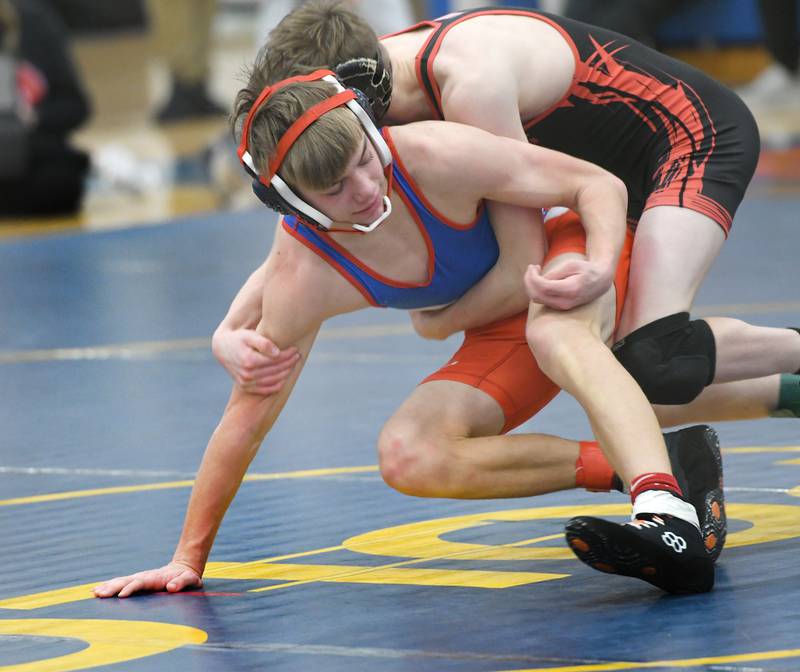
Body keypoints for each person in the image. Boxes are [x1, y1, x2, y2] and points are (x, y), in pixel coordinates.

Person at [94, 70, 724, 600]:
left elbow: (597, 185)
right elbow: (246, 420)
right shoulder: (305, 273)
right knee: (410, 453)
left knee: (559, 334)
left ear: (373, 134)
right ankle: (663, 460)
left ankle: (664, 512)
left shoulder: (430, 154)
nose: (368, 190)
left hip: (563, 255)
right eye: (337, 188)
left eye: (365, 161)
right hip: (498, 322)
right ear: (294, 202)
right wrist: (187, 558)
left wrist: (595, 265)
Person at [254, 1, 800, 421]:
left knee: (655, 355)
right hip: (613, 177)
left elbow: (522, 268)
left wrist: (439, 323)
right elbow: (304, 233)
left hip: (693, 139)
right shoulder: (370, 78)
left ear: (347, 94)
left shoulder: (468, 86)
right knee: (636, 387)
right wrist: (233, 329)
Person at [0, 0, 90, 217]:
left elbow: (76, 106)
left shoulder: (34, 23)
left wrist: (35, 117)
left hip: (29, 160)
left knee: (61, 177)